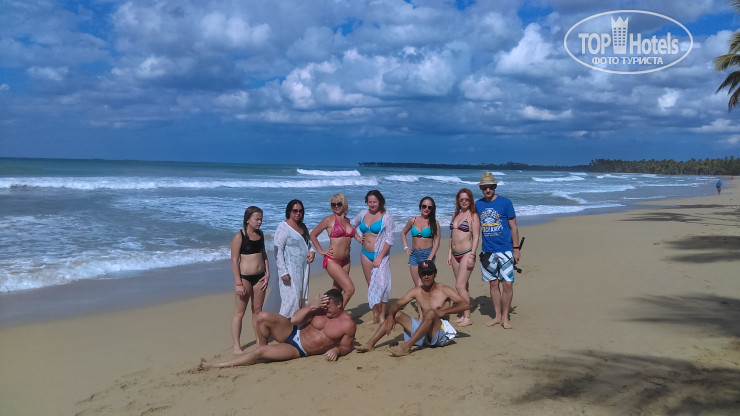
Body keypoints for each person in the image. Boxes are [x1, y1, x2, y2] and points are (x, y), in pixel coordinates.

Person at [201, 289, 356, 368]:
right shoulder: (320, 309)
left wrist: (337, 350)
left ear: (339, 304)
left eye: (328, 306)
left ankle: (218, 365)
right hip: (293, 332)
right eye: (324, 305)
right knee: (261, 316)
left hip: (299, 349)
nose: (325, 308)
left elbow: (346, 347)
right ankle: (262, 350)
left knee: (261, 352)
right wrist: (311, 306)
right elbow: (295, 319)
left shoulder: (347, 325)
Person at [356, 261, 469, 357]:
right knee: (397, 314)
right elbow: (397, 303)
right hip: (423, 334)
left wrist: (444, 311)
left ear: (435, 274)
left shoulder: (444, 290)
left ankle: (406, 347)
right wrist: (390, 316)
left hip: (440, 334)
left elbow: (465, 305)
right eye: (423, 274)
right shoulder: (417, 291)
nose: (426, 276)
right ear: (419, 275)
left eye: (429, 273)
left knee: (431, 313)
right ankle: (370, 344)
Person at [475, 173, 520, 329]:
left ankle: (505, 317)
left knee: (507, 284)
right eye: (484, 187)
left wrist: (516, 248)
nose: (487, 190)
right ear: (481, 189)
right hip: (487, 251)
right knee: (493, 284)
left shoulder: (506, 203)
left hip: (505, 250)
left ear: (495, 187)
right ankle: (497, 316)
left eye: (490, 187)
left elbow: (513, 226)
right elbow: (472, 224)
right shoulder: (478, 204)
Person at [230, 206, 270, 354]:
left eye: (261, 219)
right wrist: (238, 283)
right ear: (248, 220)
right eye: (257, 219)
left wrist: (268, 273)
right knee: (239, 313)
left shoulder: (260, 234)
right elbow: (234, 261)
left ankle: (260, 342)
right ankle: (237, 346)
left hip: (260, 277)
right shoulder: (240, 236)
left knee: (257, 311)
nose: (260, 222)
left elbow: (263, 254)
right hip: (244, 278)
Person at [351, 190, 395, 324]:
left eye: (374, 202)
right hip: (365, 254)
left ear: (380, 202)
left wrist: (380, 257)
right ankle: (375, 315)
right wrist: (357, 237)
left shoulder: (386, 216)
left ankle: (382, 316)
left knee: (382, 285)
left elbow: (390, 239)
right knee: (371, 285)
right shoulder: (363, 214)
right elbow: (351, 225)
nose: (372, 204)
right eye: (369, 202)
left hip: (380, 254)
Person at [309, 193, 355, 307]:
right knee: (349, 289)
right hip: (333, 261)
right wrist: (321, 251)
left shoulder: (347, 221)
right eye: (333, 204)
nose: (336, 206)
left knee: (336, 290)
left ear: (344, 204)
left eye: (338, 204)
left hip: (346, 261)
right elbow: (313, 235)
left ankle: (323, 310)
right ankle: (338, 313)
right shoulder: (329, 220)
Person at [274, 200, 315, 318]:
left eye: (300, 211)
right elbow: (278, 250)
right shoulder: (283, 227)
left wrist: (312, 252)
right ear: (289, 212)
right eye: (295, 211)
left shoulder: (302, 227)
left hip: (303, 269)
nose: (298, 213)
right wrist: (283, 271)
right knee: (290, 300)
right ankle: (283, 325)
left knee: (300, 297)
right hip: (289, 270)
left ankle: (296, 325)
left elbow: (308, 244)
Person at [446, 188, 480, 327]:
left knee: (459, 285)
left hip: (467, 253)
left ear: (470, 200)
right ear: (458, 201)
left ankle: (467, 317)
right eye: (461, 200)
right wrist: (449, 253)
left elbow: (476, 237)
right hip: (455, 255)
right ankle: (463, 314)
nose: (464, 202)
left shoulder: (473, 215)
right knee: (463, 285)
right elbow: (452, 236)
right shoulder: (456, 214)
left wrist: (472, 255)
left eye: (467, 199)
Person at [400, 196, 441, 287]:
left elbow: (437, 242)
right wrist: (406, 247)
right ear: (420, 207)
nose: (426, 209)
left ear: (432, 209)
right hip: (414, 255)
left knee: (425, 284)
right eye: (424, 206)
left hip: (427, 254)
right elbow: (403, 233)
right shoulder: (413, 220)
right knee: (417, 285)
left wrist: (429, 259)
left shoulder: (434, 223)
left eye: (429, 207)